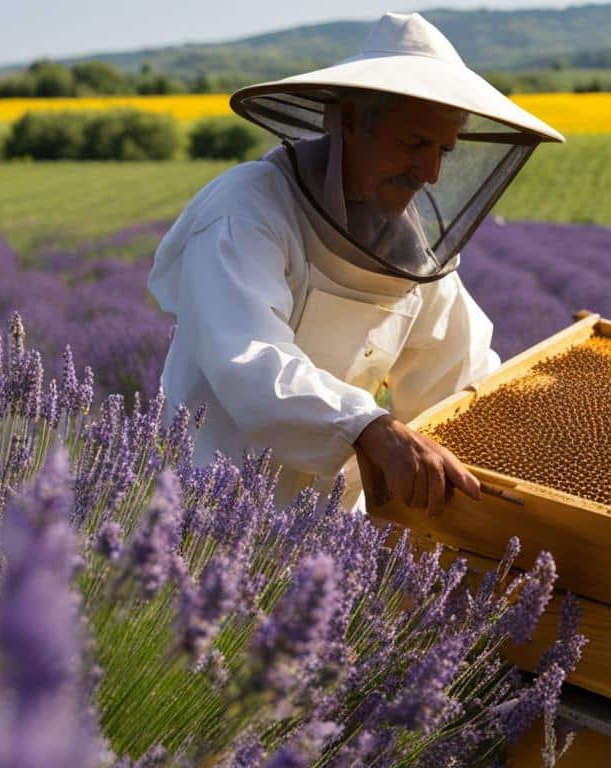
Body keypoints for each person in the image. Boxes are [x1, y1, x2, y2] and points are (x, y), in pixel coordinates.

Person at [147, 12, 563, 514]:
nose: (429, 172)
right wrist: (367, 426)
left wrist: (547, 422)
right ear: (347, 121)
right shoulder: (246, 212)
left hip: (334, 540)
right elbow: (249, 358)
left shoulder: (404, 246)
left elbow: (459, 375)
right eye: (413, 143)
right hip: (207, 520)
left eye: (443, 150)